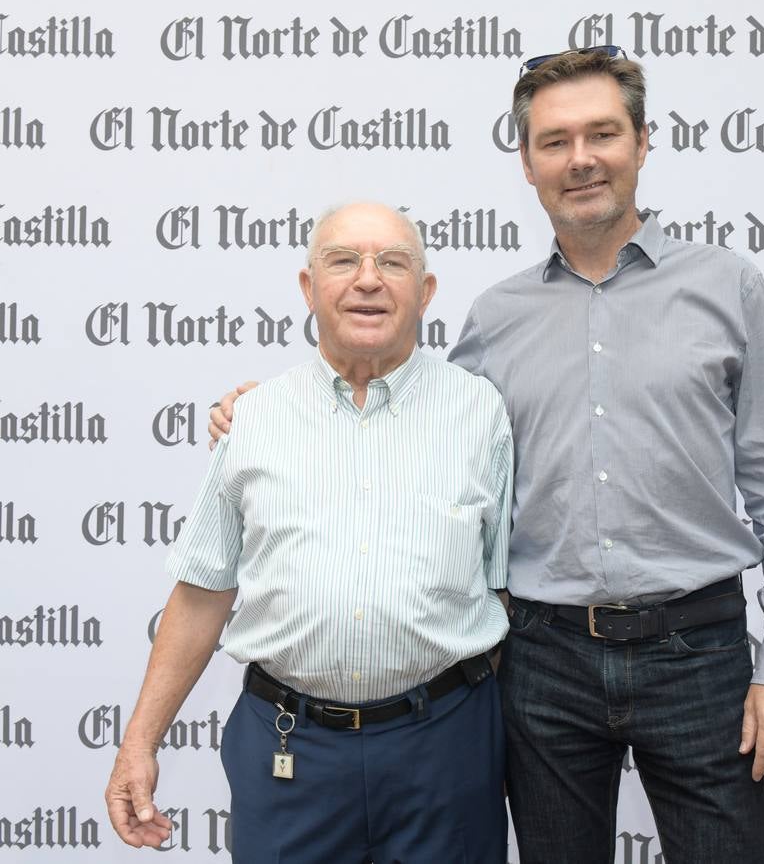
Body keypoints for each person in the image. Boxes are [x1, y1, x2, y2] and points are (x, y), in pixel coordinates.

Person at [210, 49, 764, 864]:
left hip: (698, 651)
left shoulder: (728, 286)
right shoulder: (496, 317)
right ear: (528, 164)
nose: (581, 158)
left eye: (603, 133)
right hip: (544, 662)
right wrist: (266, 407)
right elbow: (406, 416)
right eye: (554, 140)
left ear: (643, 143)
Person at [106, 202, 513, 864]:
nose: (368, 279)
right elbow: (203, 592)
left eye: (393, 262)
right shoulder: (255, 418)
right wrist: (139, 743)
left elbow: (501, 593)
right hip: (288, 749)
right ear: (307, 287)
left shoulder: (480, 412)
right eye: (343, 260)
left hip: (443, 747)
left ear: (427, 292)